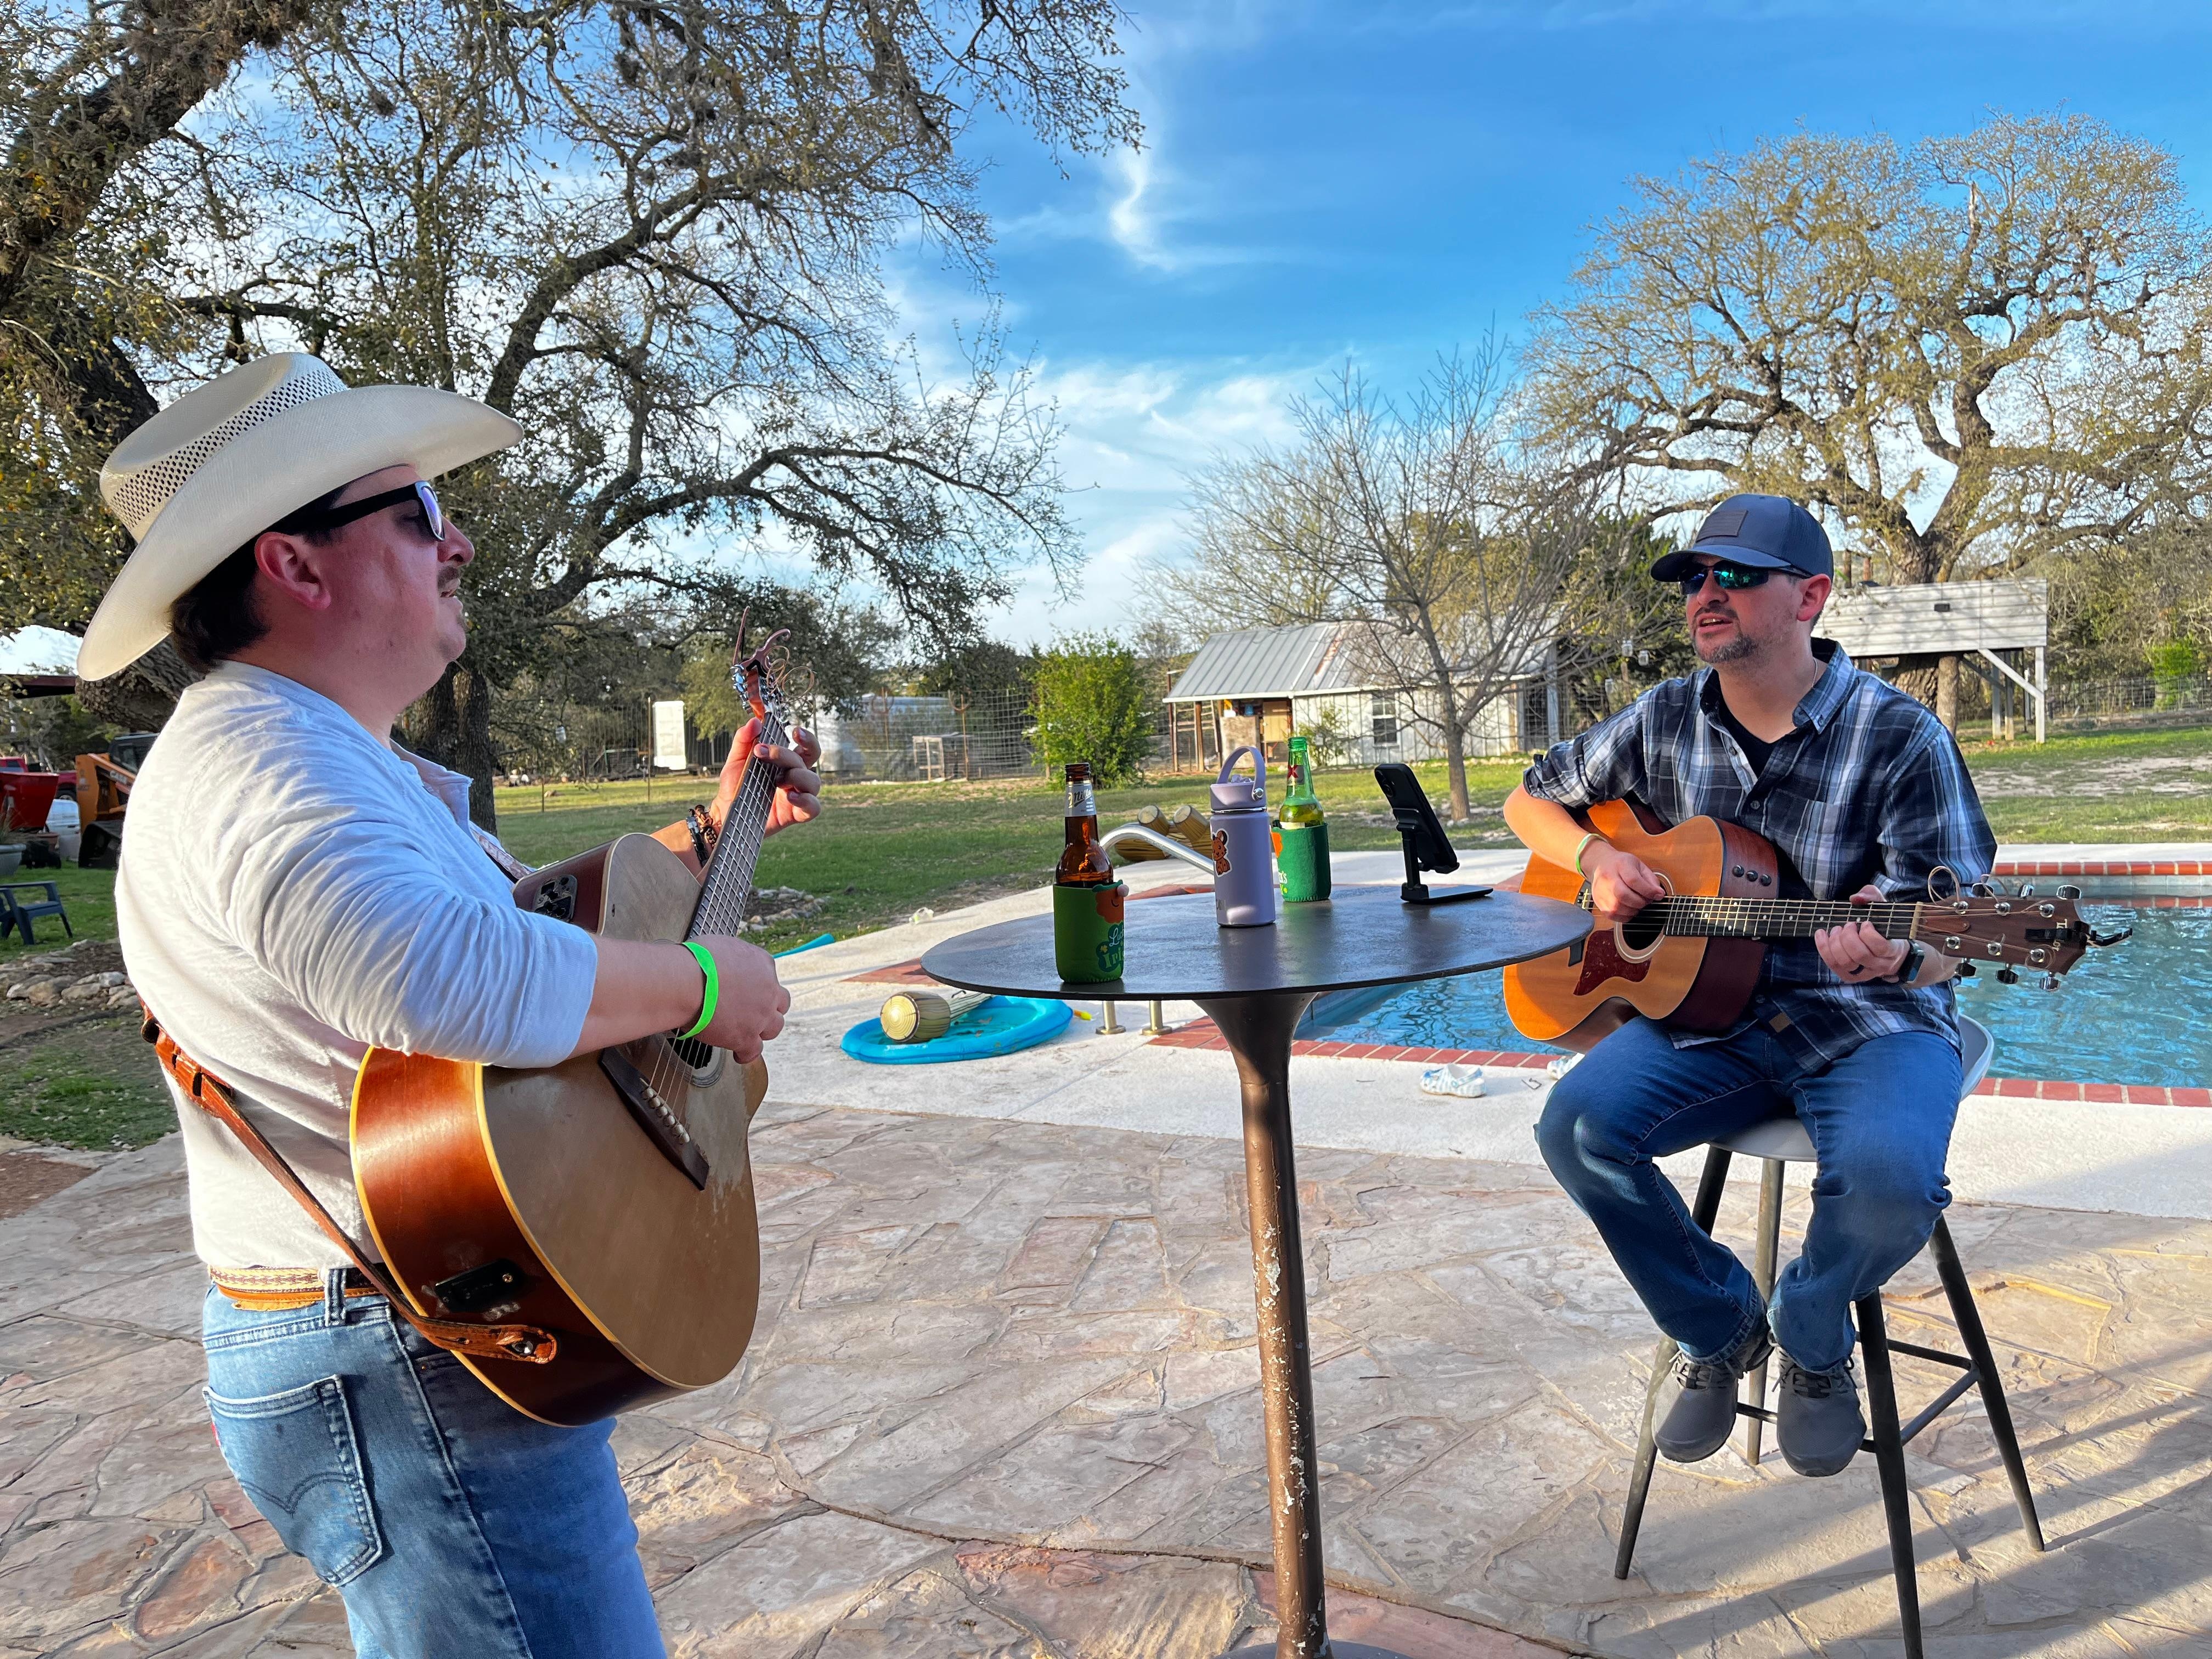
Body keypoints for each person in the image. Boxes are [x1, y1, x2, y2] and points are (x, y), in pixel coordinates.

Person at [76, 353, 822, 1658]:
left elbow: (511, 929)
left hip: (433, 1324)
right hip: (406, 1349)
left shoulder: (317, 748)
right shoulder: (257, 760)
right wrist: (708, 982)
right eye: (416, 511)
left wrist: (714, 829)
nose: (457, 539)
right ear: (294, 565)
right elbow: (444, 978)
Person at [1504, 492, 1995, 1479]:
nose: (1704, 595)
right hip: (1704, 1017)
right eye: (1694, 577)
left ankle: (1811, 1336)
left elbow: (1955, 935)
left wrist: (1901, 953)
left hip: (1868, 1017)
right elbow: (1530, 798)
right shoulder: (1664, 717)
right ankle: (1721, 1327)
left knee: (1894, 1185)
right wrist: (1599, 855)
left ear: (1810, 596)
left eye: (1734, 574)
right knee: (1577, 1130)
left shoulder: (1902, 738)